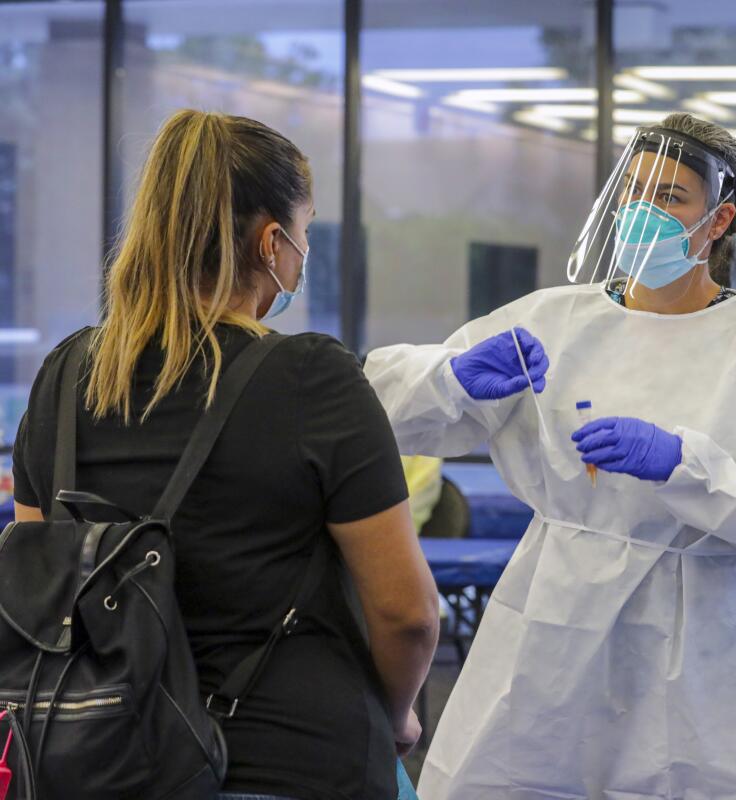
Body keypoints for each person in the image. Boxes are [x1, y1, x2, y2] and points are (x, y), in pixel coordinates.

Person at [366, 113, 736, 800]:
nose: (642, 213)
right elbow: (376, 416)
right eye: (633, 191)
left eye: (670, 197)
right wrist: (452, 377)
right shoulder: (553, 321)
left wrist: (687, 466)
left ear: (718, 221)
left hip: (697, 647)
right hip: (552, 626)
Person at [11, 110, 439, 800]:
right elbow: (408, 613)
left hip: (97, 762)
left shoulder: (64, 380)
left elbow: (36, 594)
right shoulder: (311, 377)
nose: (302, 253)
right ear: (272, 242)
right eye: (304, 234)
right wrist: (393, 718)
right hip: (285, 759)